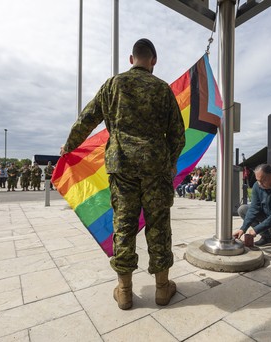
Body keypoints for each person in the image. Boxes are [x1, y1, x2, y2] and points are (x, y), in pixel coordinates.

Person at [60, 38, 185, 310]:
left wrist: (68, 146)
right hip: (156, 167)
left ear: (131, 59)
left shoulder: (113, 85)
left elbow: (86, 119)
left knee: (124, 226)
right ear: (153, 61)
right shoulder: (163, 90)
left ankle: (125, 292)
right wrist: (170, 162)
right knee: (159, 226)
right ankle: (162, 289)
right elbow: (178, 135)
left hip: (122, 165)